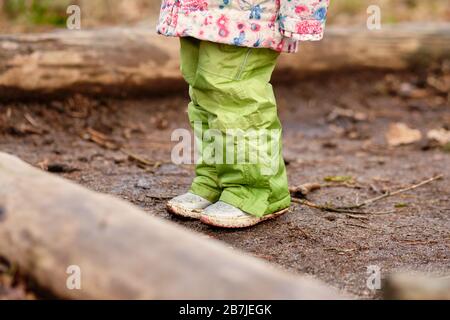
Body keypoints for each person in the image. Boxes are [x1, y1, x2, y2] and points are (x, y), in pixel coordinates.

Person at [157, 0, 329, 228]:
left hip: (248, 16)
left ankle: (256, 190)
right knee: (204, 93)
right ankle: (217, 179)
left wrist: (302, 14)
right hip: (199, 12)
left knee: (235, 97)